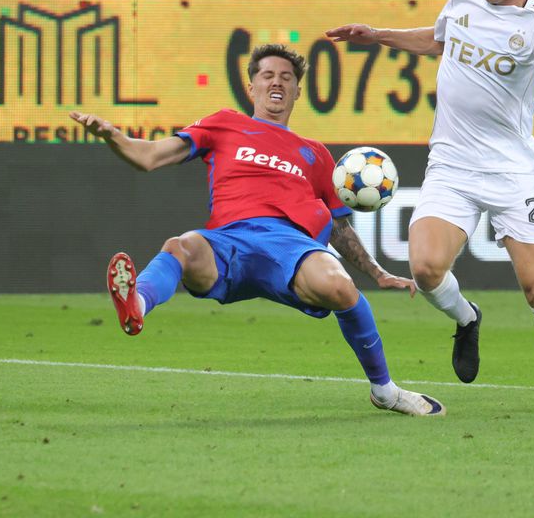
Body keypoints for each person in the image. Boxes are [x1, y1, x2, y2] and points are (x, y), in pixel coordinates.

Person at [326, 0, 534, 415]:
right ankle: (466, 317)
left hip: (512, 172)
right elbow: (438, 40)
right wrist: (377, 36)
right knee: (426, 267)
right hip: (452, 164)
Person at [70, 44, 446, 418]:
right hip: (229, 241)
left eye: (286, 77)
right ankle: (136, 305)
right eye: (267, 75)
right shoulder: (224, 123)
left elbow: (338, 224)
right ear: (252, 88)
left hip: (290, 246)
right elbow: (149, 156)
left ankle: (386, 391)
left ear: (298, 91)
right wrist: (112, 137)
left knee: (340, 288)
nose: (276, 82)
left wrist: (377, 273)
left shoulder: (314, 154)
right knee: (181, 246)